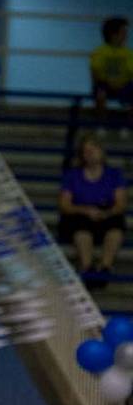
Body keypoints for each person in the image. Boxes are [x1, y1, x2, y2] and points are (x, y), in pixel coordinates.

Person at [59, 134, 127, 288]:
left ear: (102, 151)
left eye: (93, 149)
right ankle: (87, 267)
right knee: (80, 227)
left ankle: (105, 266)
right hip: (80, 213)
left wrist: (106, 213)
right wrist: (85, 210)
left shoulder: (114, 174)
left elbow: (121, 204)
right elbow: (64, 205)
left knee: (116, 226)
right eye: (86, 151)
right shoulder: (72, 176)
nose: (90, 154)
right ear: (82, 155)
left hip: (106, 213)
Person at [90, 16, 133, 130]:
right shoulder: (100, 52)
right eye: (123, 32)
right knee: (100, 94)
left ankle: (128, 126)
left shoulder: (128, 53)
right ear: (113, 35)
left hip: (123, 85)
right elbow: (95, 72)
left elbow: (131, 72)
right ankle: (101, 124)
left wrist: (121, 83)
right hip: (104, 84)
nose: (126, 36)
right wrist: (109, 81)